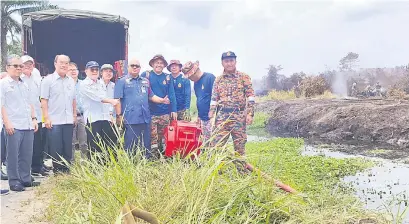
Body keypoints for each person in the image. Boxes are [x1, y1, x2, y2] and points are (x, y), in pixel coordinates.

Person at [114, 58, 170, 158]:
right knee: (131, 145)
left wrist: (162, 100)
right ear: (128, 67)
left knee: (146, 144)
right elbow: (117, 100)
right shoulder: (122, 81)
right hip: (131, 118)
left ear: (140, 68)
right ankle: (131, 164)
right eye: (132, 65)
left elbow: (151, 96)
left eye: (137, 66)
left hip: (145, 118)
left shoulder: (145, 81)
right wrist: (119, 116)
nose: (135, 67)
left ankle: (146, 162)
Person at [1, 55, 39, 191]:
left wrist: (34, 119)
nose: (19, 68)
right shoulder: (3, 84)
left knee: (26, 154)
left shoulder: (24, 83)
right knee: (12, 154)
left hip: (27, 123)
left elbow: (30, 103)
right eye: (15, 66)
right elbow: (1, 105)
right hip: (13, 124)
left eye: (20, 66)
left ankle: (25, 178)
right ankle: (14, 181)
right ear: (7, 67)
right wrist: (7, 123)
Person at [209, 51, 255, 156]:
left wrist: (250, 114)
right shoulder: (218, 80)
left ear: (235, 62)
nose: (229, 63)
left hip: (238, 117)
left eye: (231, 61)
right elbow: (214, 98)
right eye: (226, 61)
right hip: (222, 117)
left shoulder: (244, 77)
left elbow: (250, 97)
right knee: (216, 146)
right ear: (222, 63)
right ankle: (219, 171)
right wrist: (211, 114)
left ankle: (241, 171)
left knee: (239, 147)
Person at [40, 55, 76, 174]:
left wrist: (74, 115)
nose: (64, 65)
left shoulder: (71, 80)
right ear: (55, 64)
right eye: (61, 62)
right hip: (54, 120)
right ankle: (58, 172)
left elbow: (73, 100)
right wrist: (46, 118)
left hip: (68, 119)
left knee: (67, 147)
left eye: (66, 63)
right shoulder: (48, 80)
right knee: (56, 148)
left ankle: (67, 171)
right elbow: (44, 100)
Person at [79, 61, 119, 158]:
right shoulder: (84, 84)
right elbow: (97, 97)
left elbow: (105, 98)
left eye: (96, 69)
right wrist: (112, 101)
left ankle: (109, 167)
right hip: (93, 119)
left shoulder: (100, 83)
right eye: (92, 69)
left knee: (109, 144)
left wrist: (111, 113)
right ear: (86, 71)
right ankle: (95, 169)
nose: (94, 71)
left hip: (105, 118)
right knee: (95, 146)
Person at [141, 54, 177, 157]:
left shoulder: (167, 77)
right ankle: (153, 157)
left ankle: (163, 155)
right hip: (151, 112)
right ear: (152, 64)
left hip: (164, 112)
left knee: (163, 136)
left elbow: (172, 94)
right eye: (157, 62)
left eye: (161, 63)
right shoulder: (146, 75)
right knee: (152, 136)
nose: (159, 65)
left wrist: (173, 109)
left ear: (164, 65)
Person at [20, 55, 49, 177]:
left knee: (38, 142)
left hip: (38, 114)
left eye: (30, 64)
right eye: (25, 64)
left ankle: (38, 165)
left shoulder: (36, 75)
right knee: (26, 144)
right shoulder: (19, 78)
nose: (28, 66)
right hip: (24, 116)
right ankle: (27, 168)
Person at [181, 61, 215, 142]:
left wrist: (213, 115)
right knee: (206, 141)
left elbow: (216, 98)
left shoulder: (210, 78)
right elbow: (199, 100)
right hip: (203, 118)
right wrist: (199, 116)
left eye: (190, 76)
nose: (190, 79)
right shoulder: (196, 84)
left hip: (212, 118)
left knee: (214, 141)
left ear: (194, 72)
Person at [67, 62, 87, 159]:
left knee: (84, 141)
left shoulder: (84, 84)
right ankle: (71, 163)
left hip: (82, 116)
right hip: (69, 116)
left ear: (78, 71)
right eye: (70, 70)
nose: (73, 72)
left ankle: (85, 162)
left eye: (74, 69)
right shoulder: (65, 85)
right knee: (71, 142)